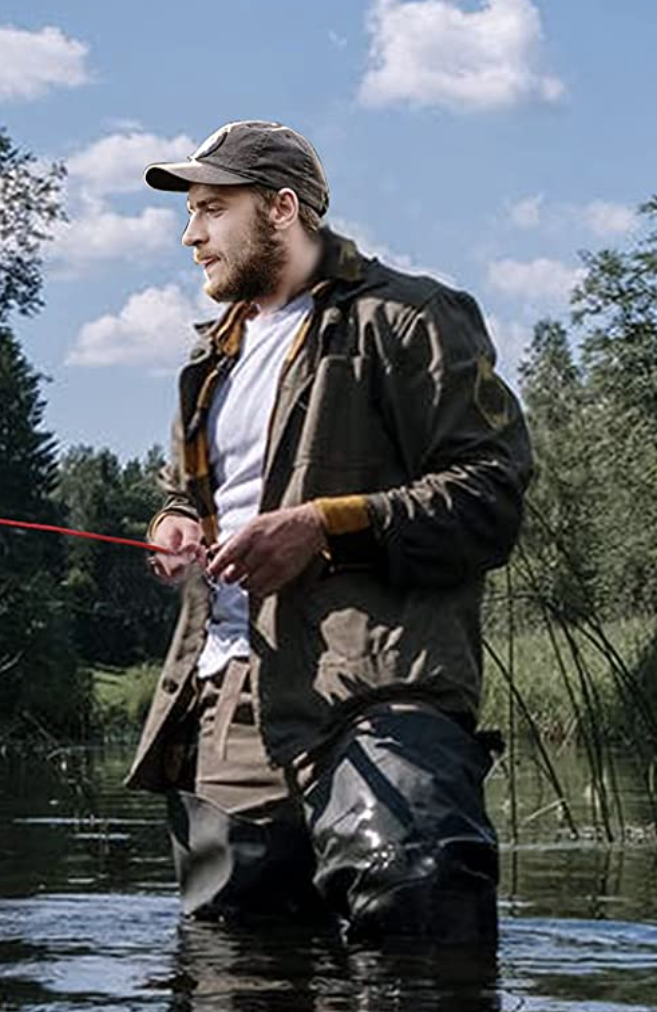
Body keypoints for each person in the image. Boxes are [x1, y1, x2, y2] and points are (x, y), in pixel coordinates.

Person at [126, 120, 534, 944]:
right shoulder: (213, 359)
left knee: (420, 925)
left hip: (381, 686)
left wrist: (324, 528)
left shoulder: (412, 316)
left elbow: (491, 497)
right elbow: (191, 493)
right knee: (238, 960)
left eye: (213, 208)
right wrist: (175, 522)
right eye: (191, 211)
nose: (190, 233)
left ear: (281, 209)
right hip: (227, 699)